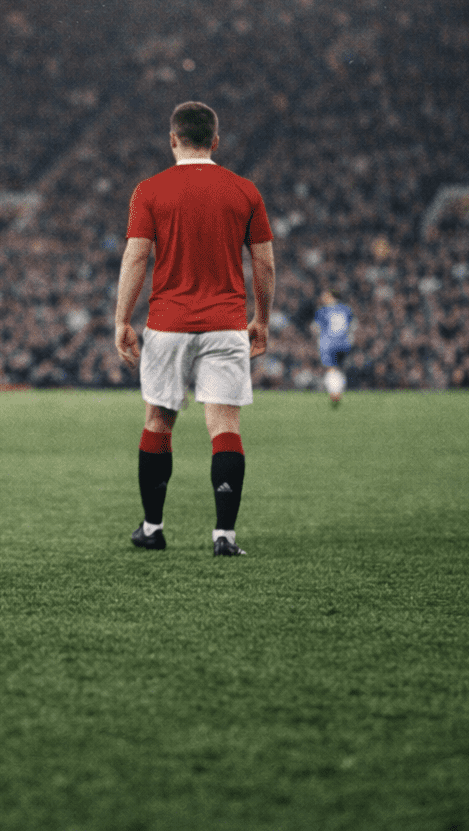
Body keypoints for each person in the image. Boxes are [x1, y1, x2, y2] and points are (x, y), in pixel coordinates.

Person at [114, 101, 275, 557]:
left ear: (173, 140)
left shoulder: (150, 190)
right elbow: (263, 261)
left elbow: (136, 256)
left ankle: (153, 527)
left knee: (158, 420)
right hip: (226, 325)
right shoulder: (244, 191)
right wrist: (261, 320)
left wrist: (122, 319)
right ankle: (224, 536)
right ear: (215, 142)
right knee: (224, 426)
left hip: (167, 323)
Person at [312, 290, 353, 407]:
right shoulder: (347, 309)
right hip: (345, 343)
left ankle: (335, 394)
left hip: (329, 344)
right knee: (340, 369)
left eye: (325, 296)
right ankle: (339, 391)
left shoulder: (322, 310)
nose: (323, 297)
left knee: (331, 369)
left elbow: (316, 328)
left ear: (332, 297)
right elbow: (353, 326)